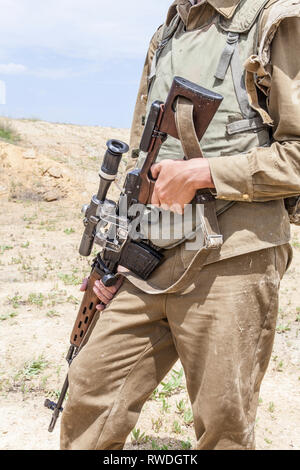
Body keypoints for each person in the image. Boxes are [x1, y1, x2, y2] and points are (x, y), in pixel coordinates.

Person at [60, 0, 300, 450]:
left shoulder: (277, 22)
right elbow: (143, 161)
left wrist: (207, 173)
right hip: (150, 261)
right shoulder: (168, 31)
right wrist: (118, 258)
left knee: (222, 421)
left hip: (232, 260)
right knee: (89, 389)